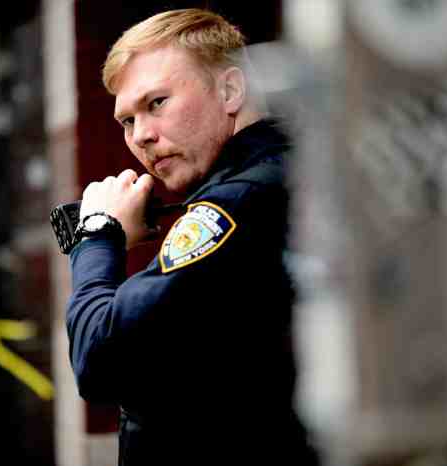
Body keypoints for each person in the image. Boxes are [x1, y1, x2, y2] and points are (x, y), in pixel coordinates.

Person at [65, 8, 319, 466]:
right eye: (127, 121)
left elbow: (99, 358)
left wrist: (97, 235)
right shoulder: (274, 176)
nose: (141, 135)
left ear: (230, 90)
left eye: (156, 103)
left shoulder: (236, 203)